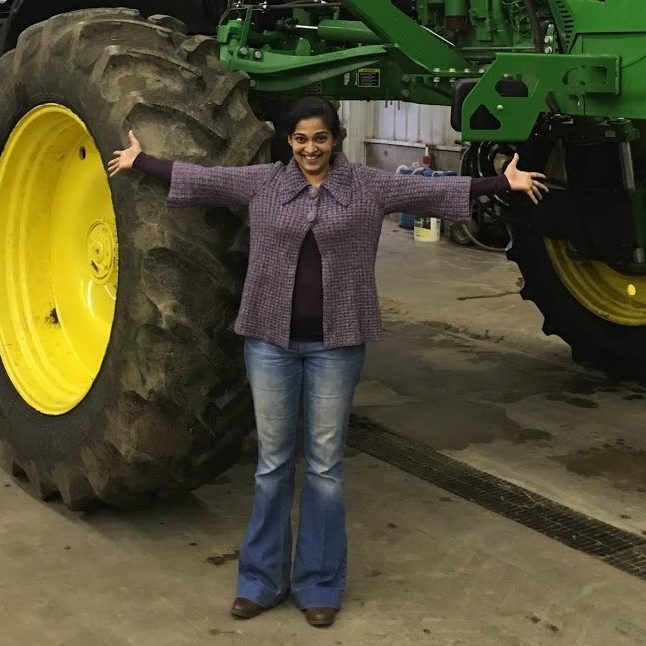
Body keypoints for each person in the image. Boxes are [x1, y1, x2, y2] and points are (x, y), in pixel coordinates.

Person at [108, 96, 548, 628]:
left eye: (319, 138)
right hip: (270, 342)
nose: (310, 149)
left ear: (335, 139)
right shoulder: (265, 182)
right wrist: (141, 162)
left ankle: (319, 583)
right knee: (272, 464)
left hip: (336, 345)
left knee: (324, 467)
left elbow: (434, 190)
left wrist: (504, 183)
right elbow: (204, 180)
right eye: (300, 139)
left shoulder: (369, 185)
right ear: (288, 142)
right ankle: (260, 581)